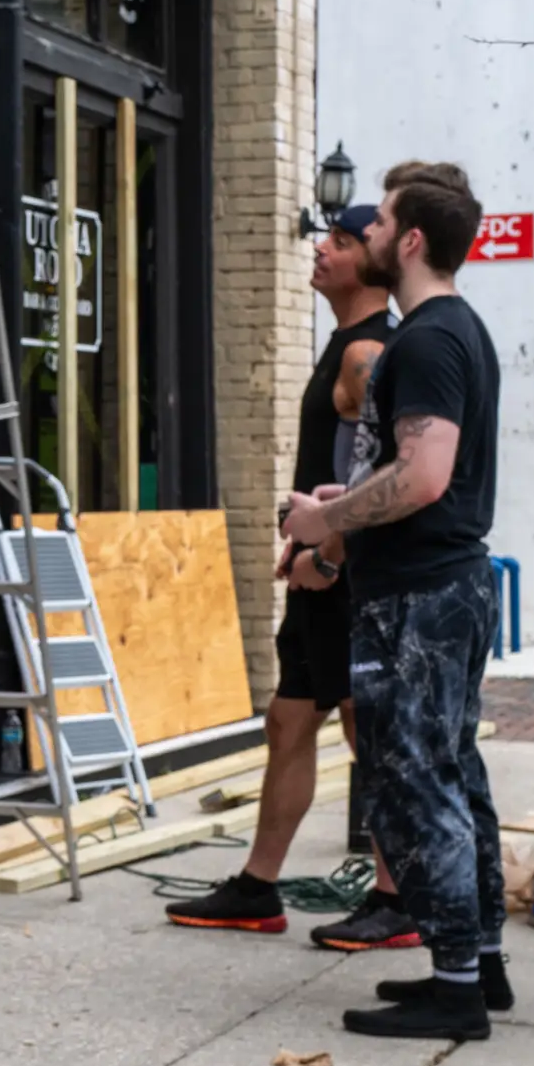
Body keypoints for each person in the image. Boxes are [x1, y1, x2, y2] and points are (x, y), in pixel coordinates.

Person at [285, 161, 513, 1042]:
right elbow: (410, 476)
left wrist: (322, 517)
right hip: (433, 587)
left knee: (417, 786)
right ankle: (476, 967)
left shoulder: (425, 341)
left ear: (410, 240)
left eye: (376, 222)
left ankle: (458, 985)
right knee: (451, 774)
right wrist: (335, 548)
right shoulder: (457, 333)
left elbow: (421, 476)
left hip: (421, 597)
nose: (366, 231)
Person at [165, 207, 398, 938]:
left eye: (341, 241)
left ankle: (397, 898)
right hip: (320, 573)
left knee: (368, 731)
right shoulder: (343, 347)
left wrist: (331, 555)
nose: (321, 250)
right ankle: (259, 889)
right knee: (290, 718)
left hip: (348, 581)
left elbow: (386, 476)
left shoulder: (366, 357)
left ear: (374, 261)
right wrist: (305, 545)